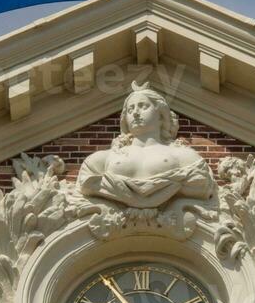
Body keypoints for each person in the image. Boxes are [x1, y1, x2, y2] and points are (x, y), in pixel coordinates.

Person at [77, 82, 213, 211]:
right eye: (130, 109)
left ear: (160, 115)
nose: (135, 113)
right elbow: (87, 182)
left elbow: (200, 183)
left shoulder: (184, 157)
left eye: (143, 106)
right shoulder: (101, 159)